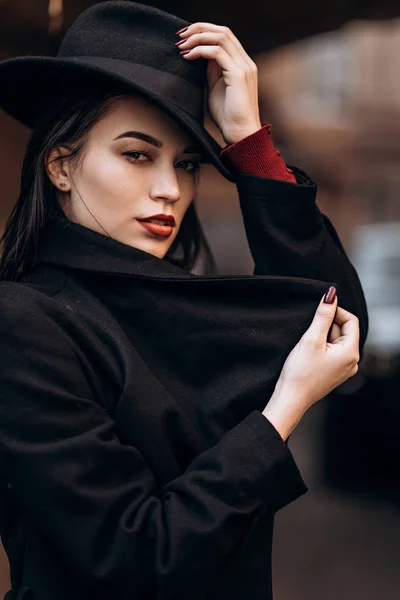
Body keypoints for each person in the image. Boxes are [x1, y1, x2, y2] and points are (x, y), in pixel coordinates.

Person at [0, 2, 367, 599]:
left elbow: (338, 327)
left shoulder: (183, 305)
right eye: (137, 155)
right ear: (61, 165)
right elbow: (137, 555)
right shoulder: (22, 322)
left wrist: (250, 143)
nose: (170, 189)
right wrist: (279, 415)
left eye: (188, 163)